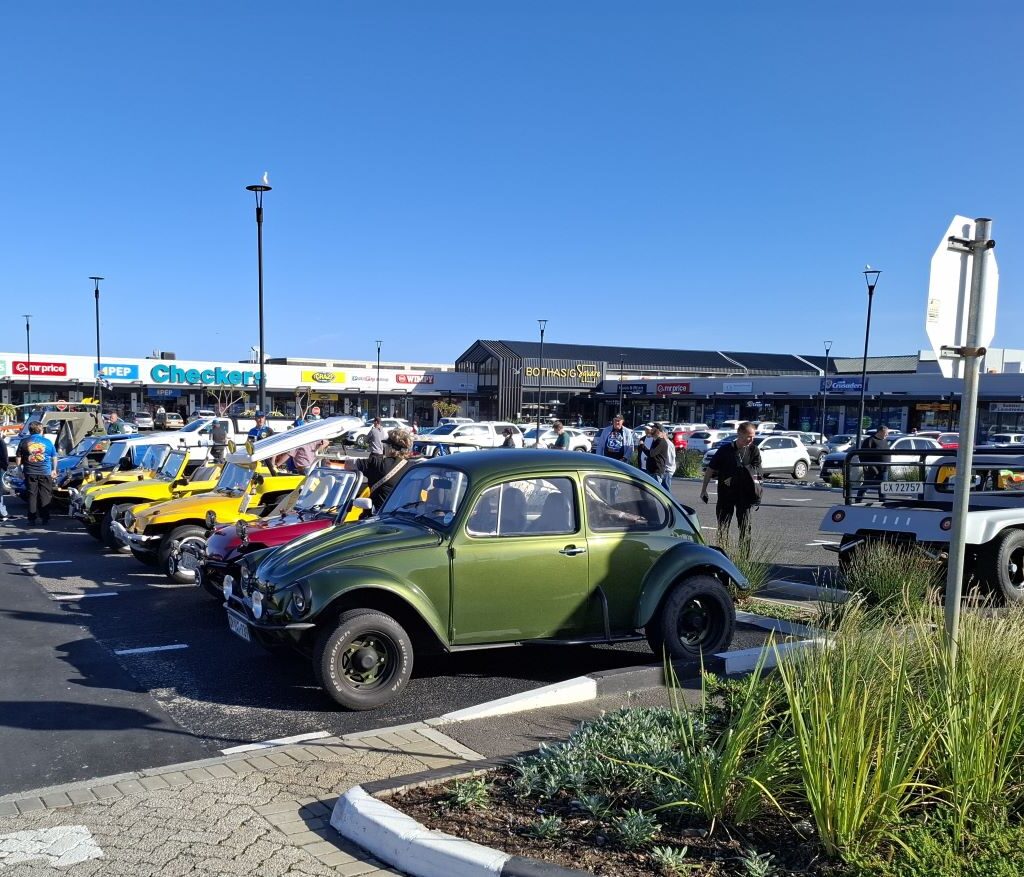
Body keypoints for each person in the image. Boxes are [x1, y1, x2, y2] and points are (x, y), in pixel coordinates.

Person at [700, 421, 762, 546]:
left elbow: (757, 472)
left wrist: (734, 478)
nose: (751, 439)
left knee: (745, 528)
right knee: (723, 527)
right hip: (726, 493)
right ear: (740, 433)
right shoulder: (725, 450)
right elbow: (710, 469)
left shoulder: (754, 450)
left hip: (745, 494)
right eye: (749, 436)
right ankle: (722, 555)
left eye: (753, 436)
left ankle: (744, 558)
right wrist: (703, 489)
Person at [343, 428, 413, 511]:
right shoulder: (412, 468)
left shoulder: (378, 464)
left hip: (378, 516)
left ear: (390, 447)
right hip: (403, 515)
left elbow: (348, 464)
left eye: (385, 445)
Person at [16, 422, 58, 526]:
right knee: (45, 495)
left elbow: (18, 457)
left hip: (30, 472)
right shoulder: (48, 442)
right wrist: (54, 470)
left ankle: (31, 519)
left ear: (30, 430)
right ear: (41, 430)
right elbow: (54, 457)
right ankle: (45, 518)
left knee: (32, 495)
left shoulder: (24, 441)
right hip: (45, 472)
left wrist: (19, 469)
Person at [855, 424, 891, 502]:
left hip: (884, 468)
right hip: (873, 468)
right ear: (881, 432)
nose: (887, 435)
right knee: (867, 484)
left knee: (883, 486)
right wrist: (868, 465)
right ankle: (858, 500)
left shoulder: (884, 440)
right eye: (886, 433)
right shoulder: (870, 440)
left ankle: (883, 502)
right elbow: (863, 455)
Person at [659, 424, 676, 492]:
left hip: (666, 471)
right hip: (664, 470)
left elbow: (670, 460)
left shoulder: (668, 444)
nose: (659, 435)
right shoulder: (663, 443)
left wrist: (665, 469)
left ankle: (670, 503)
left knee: (666, 491)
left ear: (664, 434)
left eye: (660, 433)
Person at [0, 432, 9, 521]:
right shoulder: (1, 442)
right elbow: (5, 456)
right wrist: (5, 467)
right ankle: (2, 513)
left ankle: (3, 512)